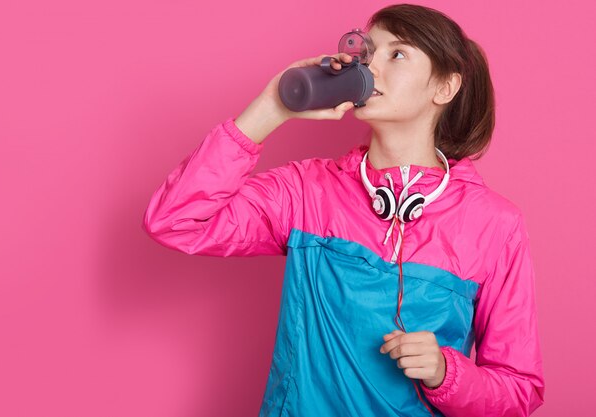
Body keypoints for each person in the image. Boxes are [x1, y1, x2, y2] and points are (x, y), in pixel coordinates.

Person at [142, 3, 545, 416]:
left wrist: (446, 372)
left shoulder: (496, 225)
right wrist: (271, 107)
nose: (371, 69)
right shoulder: (306, 191)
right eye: (367, 54)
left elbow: (518, 391)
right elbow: (176, 220)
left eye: (397, 54)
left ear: (444, 88)